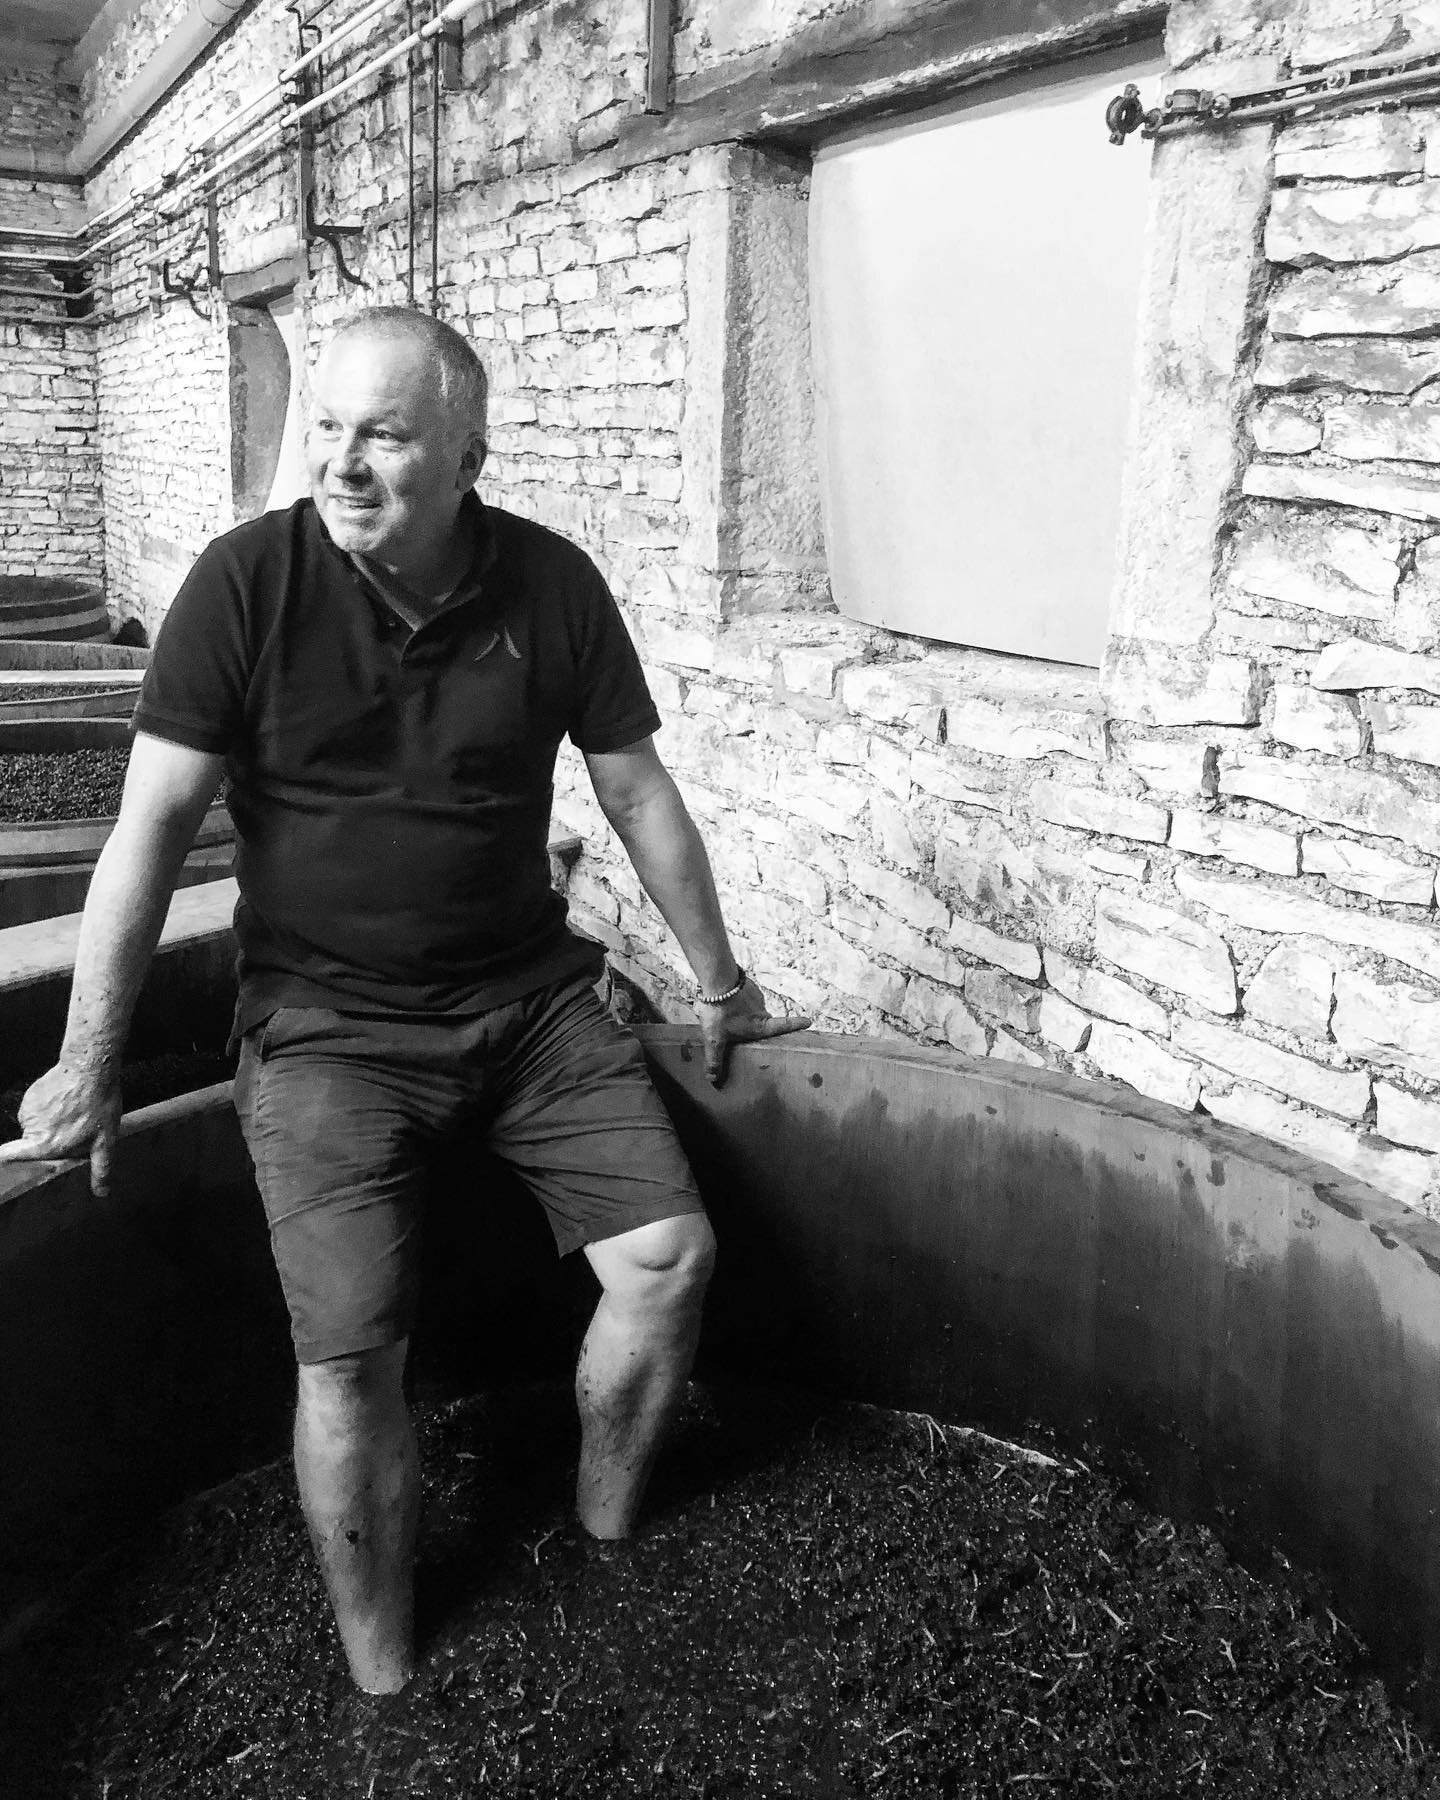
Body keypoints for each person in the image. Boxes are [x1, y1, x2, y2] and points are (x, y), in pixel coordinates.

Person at [0, 306, 809, 1696]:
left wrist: (722, 985)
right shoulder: (244, 584)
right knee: (353, 1355)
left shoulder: (550, 587)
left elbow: (633, 792)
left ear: (469, 454)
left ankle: (608, 1536)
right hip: (324, 1025)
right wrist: (91, 1061)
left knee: (671, 1262)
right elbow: (146, 828)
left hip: (530, 1003)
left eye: (384, 434)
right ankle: (385, 1681)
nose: (343, 462)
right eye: (325, 426)